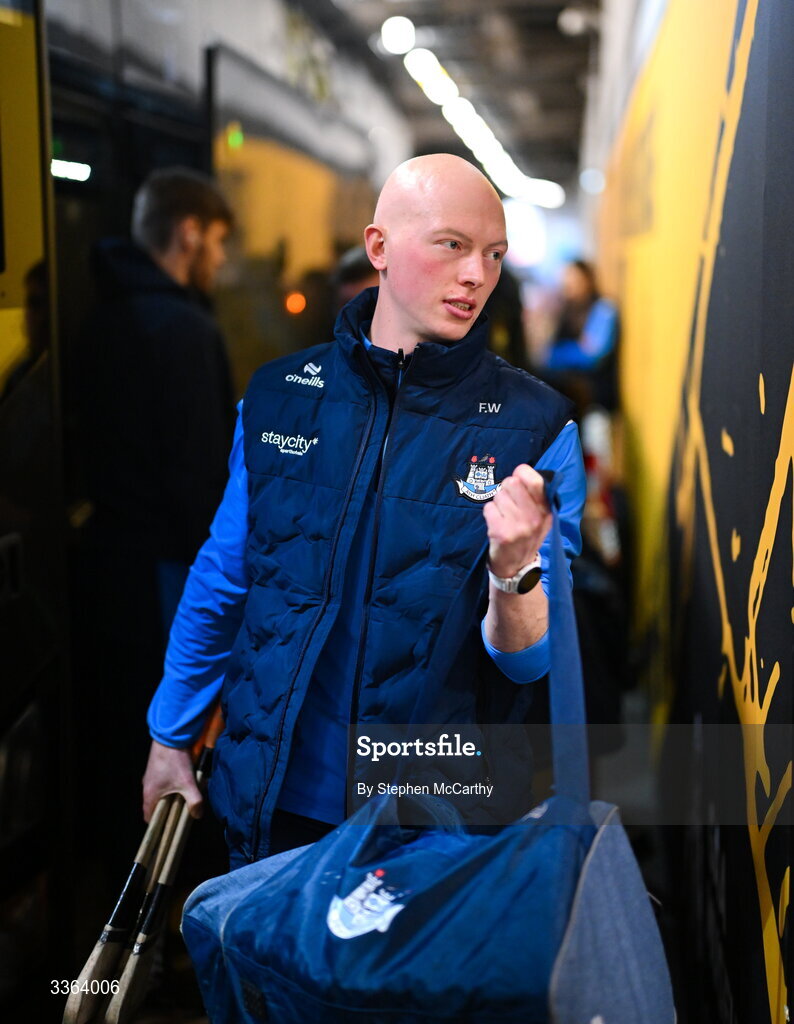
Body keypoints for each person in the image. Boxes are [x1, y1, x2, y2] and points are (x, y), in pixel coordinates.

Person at [142, 154, 586, 866]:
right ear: (378, 248)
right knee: (261, 978)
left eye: (494, 255)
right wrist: (171, 733)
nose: (477, 275)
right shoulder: (280, 397)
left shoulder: (537, 429)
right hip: (272, 790)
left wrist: (514, 571)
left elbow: (531, 663)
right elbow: (225, 577)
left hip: (431, 818)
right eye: (452, 245)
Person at [75, 166, 236, 633]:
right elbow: (197, 466)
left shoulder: (99, 315)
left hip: (113, 557)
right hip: (171, 562)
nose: (222, 257)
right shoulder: (185, 330)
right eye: (218, 240)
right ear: (189, 234)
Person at [541, 258, 619, 413]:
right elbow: (549, 353)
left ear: (588, 279)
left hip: (596, 395)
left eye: (575, 278)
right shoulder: (567, 311)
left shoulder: (603, 309)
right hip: (567, 395)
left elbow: (592, 354)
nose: (570, 284)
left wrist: (560, 354)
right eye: (567, 279)